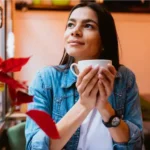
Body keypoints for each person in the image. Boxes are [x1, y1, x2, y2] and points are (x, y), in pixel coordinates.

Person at [25, 2, 143, 150]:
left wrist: (106, 109)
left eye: (88, 26)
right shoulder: (45, 80)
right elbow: (35, 147)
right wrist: (83, 105)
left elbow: (136, 145)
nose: (75, 31)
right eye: (70, 25)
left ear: (104, 41)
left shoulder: (124, 79)